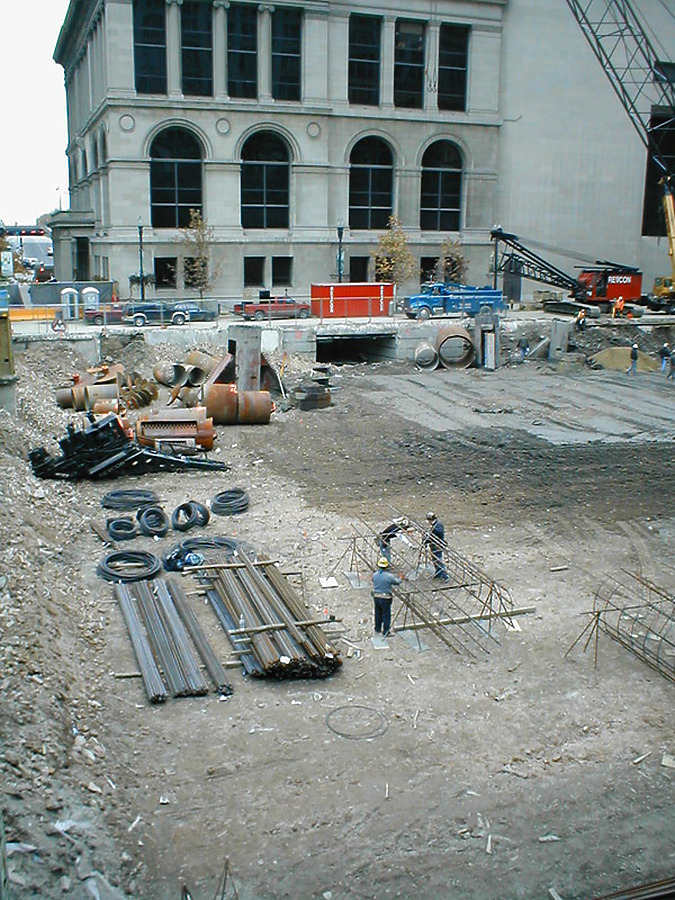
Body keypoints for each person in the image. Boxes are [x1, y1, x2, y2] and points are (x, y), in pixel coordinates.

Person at [371, 557, 402, 637]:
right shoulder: (389, 576)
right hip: (385, 598)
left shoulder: (375, 575)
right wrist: (401, 578)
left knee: (378, 613)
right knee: (386, 615)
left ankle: (377, 628)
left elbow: (372, 579)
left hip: (376, 597)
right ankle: (386, 631)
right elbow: (397, 582)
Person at [424, 512, 449, 581]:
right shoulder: (433, 525)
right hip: (433, 545)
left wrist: (432, 529)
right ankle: (438, 573)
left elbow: (439, 532)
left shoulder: (438, 525)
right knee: (435, 560)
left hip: (438, 545)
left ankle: (445, 576)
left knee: (438, 560)